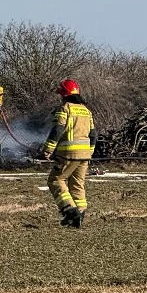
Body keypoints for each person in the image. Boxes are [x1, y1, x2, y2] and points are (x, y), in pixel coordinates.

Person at [41, 78, 97, 228]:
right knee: (77, 184)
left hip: (68, 154)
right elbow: (93, 135)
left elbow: (58, 129)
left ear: (64, 94)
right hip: (85, 155)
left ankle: (70, 211)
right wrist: (89, 152)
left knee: (55, 180)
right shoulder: (86, 111)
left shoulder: (65, 108)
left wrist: (48, 149)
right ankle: (80, 214)